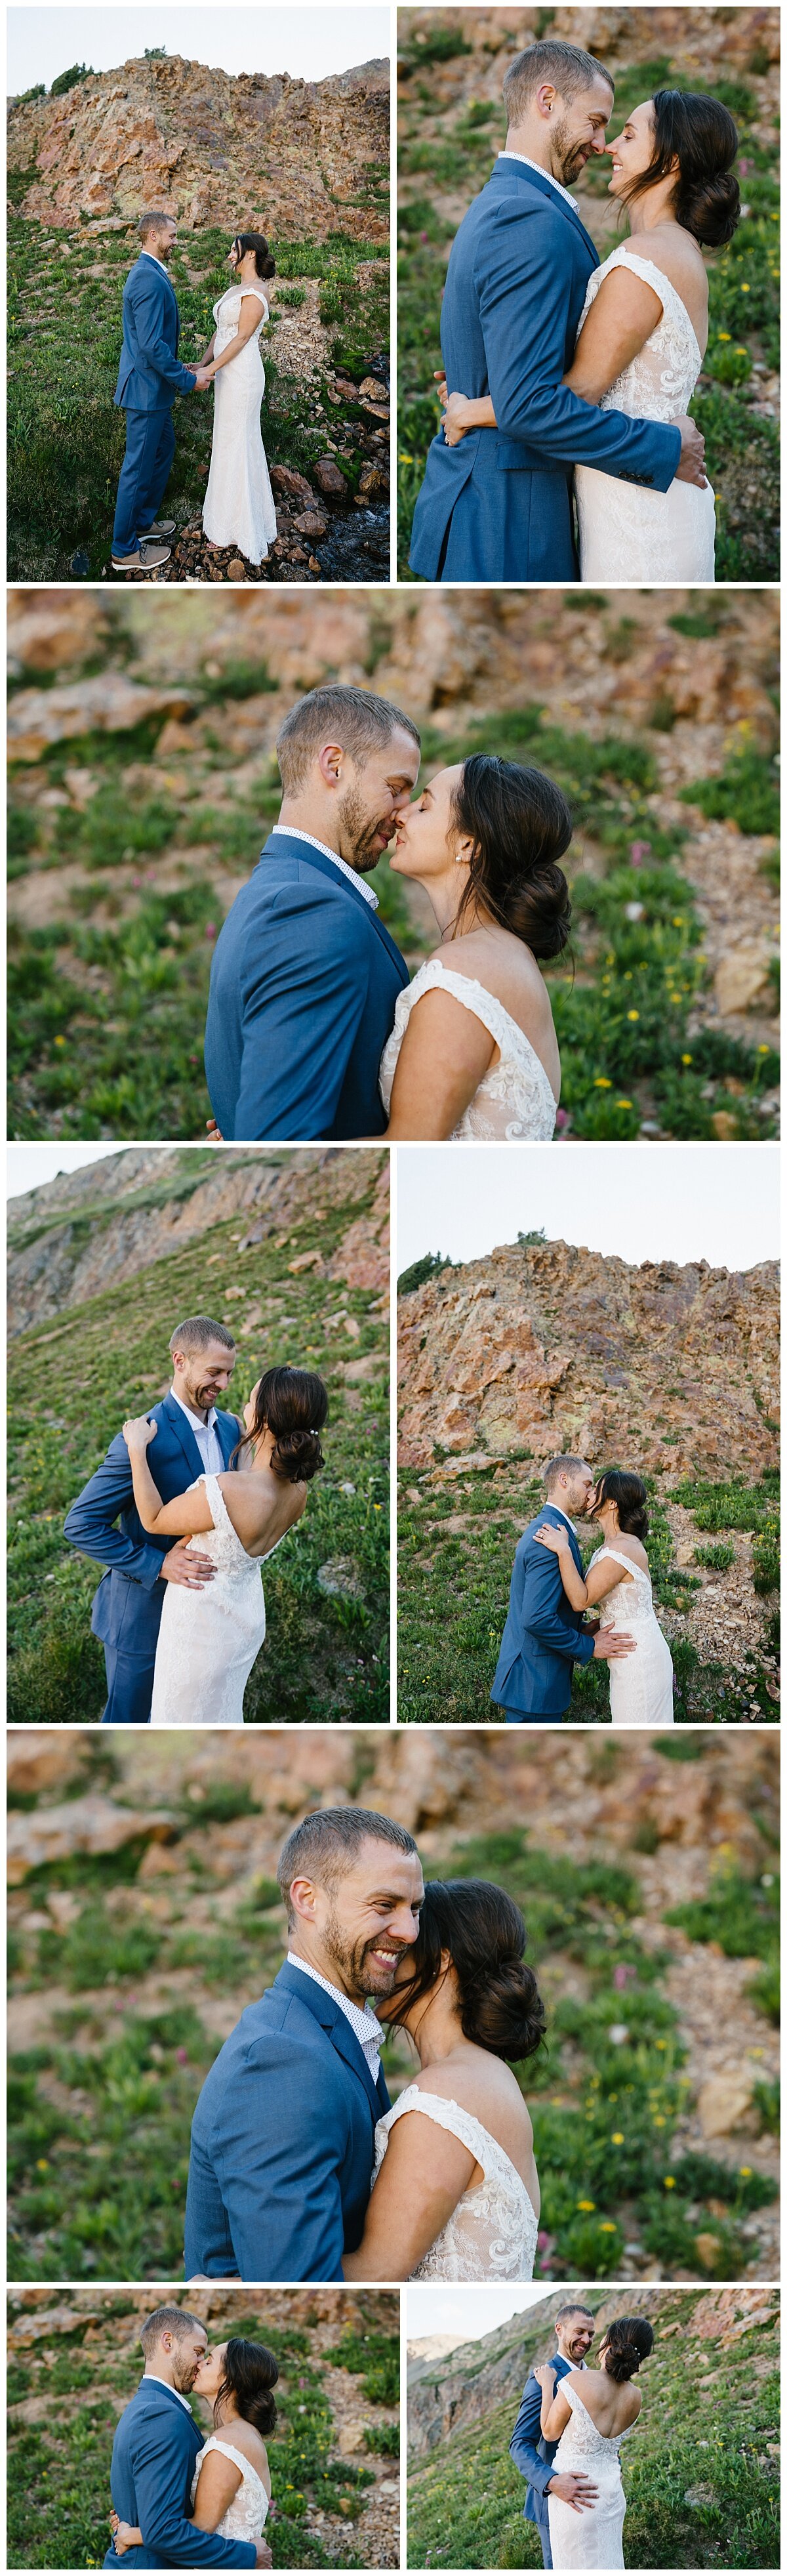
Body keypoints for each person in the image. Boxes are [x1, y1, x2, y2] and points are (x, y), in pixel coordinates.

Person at [408, 41, 705, 584]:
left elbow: (527, 368)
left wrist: (483, 390)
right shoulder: (528, 218)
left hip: (504, 503)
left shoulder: (507, 203)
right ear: (547, 101)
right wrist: (665, 449)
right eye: (595, 122)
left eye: (616, 130)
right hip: (507, 517)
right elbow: (530, 406)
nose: (601, 143)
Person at [184, 1809, 425, 2281]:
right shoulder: (281, 2065)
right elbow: (300, 2283)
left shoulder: (325, 2030)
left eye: (415, 1908)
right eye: (384, 1906)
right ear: (308, 1899)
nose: (410, 1931)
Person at [203, 686, 420, 1140]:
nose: (404, 814)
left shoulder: (272, 891)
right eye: (396, 789)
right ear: (334, 765)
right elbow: (280, 1142)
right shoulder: (310, 912)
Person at [342, 1877, 545, 2279]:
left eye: (405, 1946)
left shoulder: (446, 2097)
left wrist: (242, 2279)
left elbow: (376, 2274)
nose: (387, 1957)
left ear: (442, 1960)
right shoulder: (485, 2077)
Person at [121, 1365, 328, 1723]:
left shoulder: (227, 1491)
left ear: (264, 1417)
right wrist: (251, 1428)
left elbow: (153, 1519)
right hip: (243, 1622)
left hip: (200, 1629)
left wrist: (136, 1450)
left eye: (251, 1400)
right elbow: (258, 1473)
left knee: (179, 1719)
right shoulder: (297, 1492)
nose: (244, 1405)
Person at [378, 757, 570, 1138]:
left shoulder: (463, 974)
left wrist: (250, 1147)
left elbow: (405, 1154)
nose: (401, 815)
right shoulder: (503, 956)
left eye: (425, 805)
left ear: (468, 844)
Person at [64, 1318, 241, 1725]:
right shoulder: (142, 1438)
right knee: (131, 1723)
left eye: (229, 1372)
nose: (224, 1383)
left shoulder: (231, 1428)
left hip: (208, 1614)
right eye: (214, 1372)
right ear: (180, 1361)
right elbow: (81, 1524)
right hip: (143, 1619)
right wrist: (158, 1564)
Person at [103, 2304, 270, 2569]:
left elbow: (171, 2519)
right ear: (167, 2342)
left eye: (207, 2358)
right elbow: (162, 2527)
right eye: (198, 2352)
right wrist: (249, 2556)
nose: (200, 2363)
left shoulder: (150, 2407)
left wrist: (133, 2529)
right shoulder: (160, 2415)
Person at [491, 1455, 636, 1718]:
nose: (592, 1493)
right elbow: (536, 1619)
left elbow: (545, 1606)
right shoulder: (546, 1538)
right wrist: (589, 1646)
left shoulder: (554, 1531)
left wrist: (580, 1628)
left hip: (536, 1681)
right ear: (564, 1480)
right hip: (532, 1684)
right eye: (588, 1484)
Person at [111, 211, 211, 575]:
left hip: (152, 387)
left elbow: (150, 343)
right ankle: (123, 548)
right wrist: (187, 382)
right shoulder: (148, 279)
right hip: (146, 392)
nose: (175, 242)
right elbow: (152, 346)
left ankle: (142, 522)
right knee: (136, 469)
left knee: (163, 449)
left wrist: (180, 366)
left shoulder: (150, 274)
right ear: (153, 235)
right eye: (172, 236)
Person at [535, 1467, 674, 1722]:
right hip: (626, 1650)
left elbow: (581, 1600)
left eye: (596, 1489)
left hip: (638, 1656)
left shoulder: (621, 1549)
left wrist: (563, 1551)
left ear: (611, 1503)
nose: (589, 1494)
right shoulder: (612, 1546)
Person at [536, 2314, 654, 2568]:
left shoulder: (576, 2381)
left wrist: (548, 2386)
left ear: (609, 2343)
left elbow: (549, 2433)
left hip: (577, 2498)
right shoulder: (636, 2397)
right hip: (611, 2498)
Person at [196, 232, 278, 568]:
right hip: (225, 375)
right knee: (227, 441)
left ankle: (239, 528)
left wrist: (211, 369)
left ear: (250, 255)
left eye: (234, 250)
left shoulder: (257, 292)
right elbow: (222, 331)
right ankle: (229, 520)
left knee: (238, 442)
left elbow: (243, 337)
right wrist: (201, 365)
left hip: (242, 376)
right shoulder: (234, 291)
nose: (230, 255)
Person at [510, 2304, 599, 2570]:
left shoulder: (595, 2377)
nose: (586, 2340)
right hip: (555, 2501)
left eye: (591, 2334)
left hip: (594, 2494)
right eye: (580, 2331)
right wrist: (551, 2481)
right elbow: (520, 2444)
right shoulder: (542, 2380)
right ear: (559, 2330)